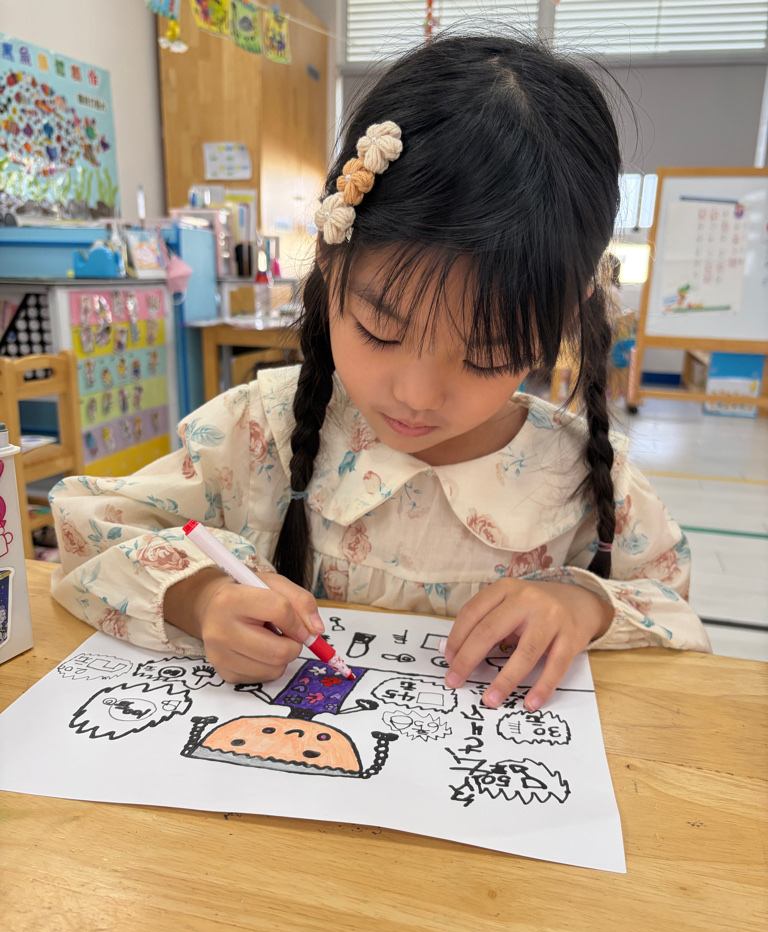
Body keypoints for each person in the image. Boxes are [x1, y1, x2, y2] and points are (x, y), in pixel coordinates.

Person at [50, 33, 710, 714]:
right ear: (330, 260)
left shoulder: (585, 477)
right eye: (380, 330)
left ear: (561, 319)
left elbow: (675, 616)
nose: (416, 395)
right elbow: (87, 527)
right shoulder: (258, 432)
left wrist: (585, 605)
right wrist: (200, 595)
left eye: (485, 356)